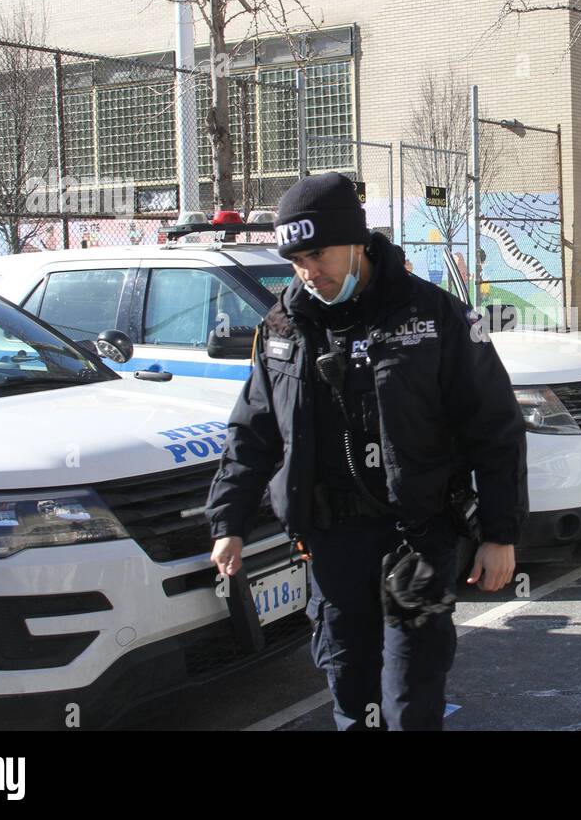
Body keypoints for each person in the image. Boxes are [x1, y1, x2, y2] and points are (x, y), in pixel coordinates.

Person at [206, 172, 527, 730]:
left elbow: (495, 429)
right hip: (333, 544)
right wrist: (228, 519)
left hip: (417, 538)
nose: (309, 272)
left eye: (319, 254)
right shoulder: (284, 325)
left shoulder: (437, 317)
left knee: (409, 699)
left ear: (357, 242)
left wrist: (500, 534)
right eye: (296, 259)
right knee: (352, 696)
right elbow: (254, 430)